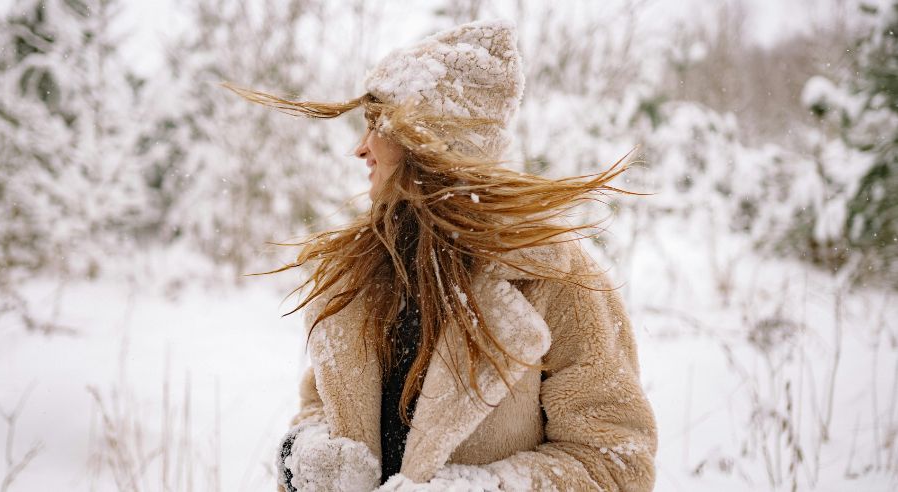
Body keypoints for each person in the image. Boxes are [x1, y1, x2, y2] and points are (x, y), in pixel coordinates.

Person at [224, 18, 657, 492]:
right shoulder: (362, 276)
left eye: (377, 126)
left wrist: (475, 489)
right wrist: (307, 459)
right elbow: (319, 408)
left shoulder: (555, 279)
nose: (360, 148)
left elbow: (615, 461)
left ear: (434, 140)